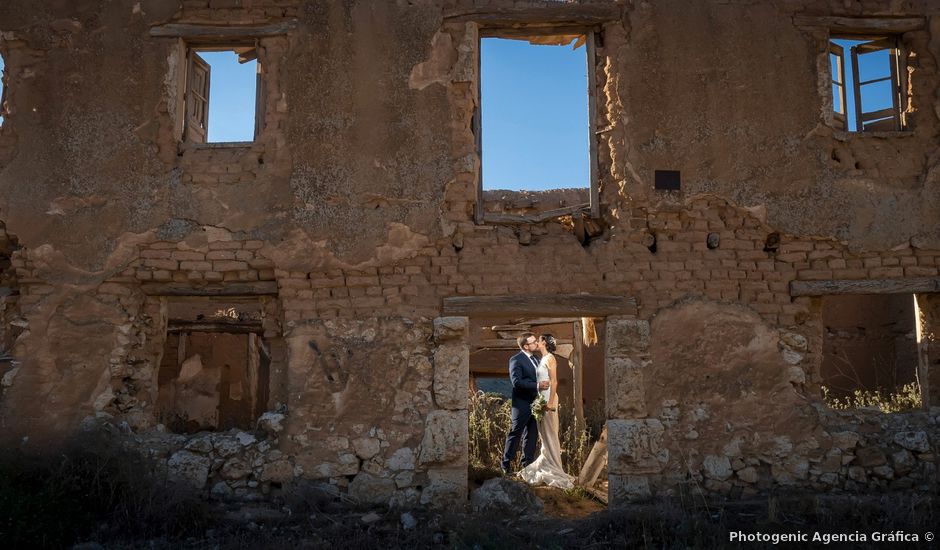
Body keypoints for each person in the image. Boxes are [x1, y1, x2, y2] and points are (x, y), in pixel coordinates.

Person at [518, 334, 575, 489]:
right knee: (544, 434)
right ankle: (546, 461)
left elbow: (554, 381)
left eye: (539, 340)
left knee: (550, 433)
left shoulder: (550, 358)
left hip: (549, 400)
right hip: (541, 400)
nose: (536, 342)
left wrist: (550, 402)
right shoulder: (542, 359)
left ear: (544, 343)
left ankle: (554, 466)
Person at [501, 331, 550, 474]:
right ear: (525, 346)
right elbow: (517, 382)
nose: (536, 343)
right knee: (516, 433)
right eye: (533, 342)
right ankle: (506, 466)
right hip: (521, 403)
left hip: (537, 403)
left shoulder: (536, 359)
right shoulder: (516, 360)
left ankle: (527, 467)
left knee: (532, 435)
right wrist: (537, 385)